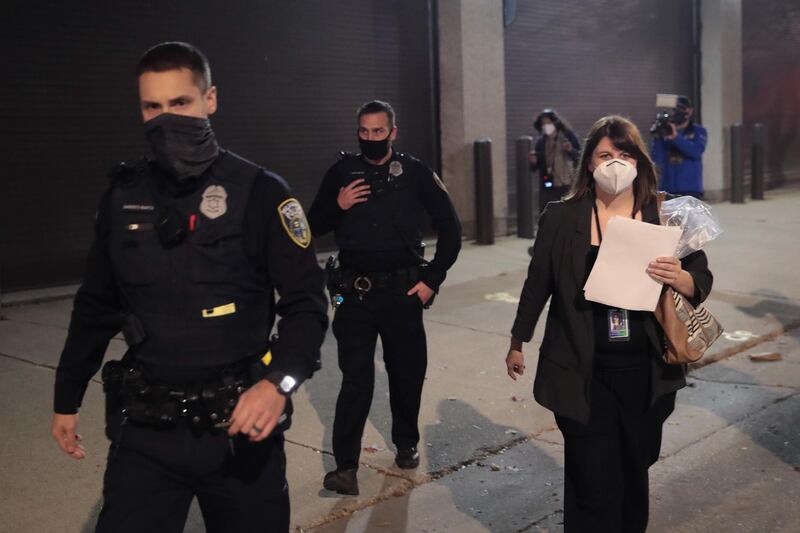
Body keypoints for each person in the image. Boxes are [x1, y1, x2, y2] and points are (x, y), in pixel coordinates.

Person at [50, 42, 328, 533]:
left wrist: (277, 385)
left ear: (210, 100)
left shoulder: (260, 192)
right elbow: (95, 305)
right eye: (152, 107)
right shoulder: (123, 196)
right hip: (147, 431)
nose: (165, 118)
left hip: (241, 430)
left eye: (180, 103)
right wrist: (66, 396)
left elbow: (307, 303)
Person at [506, 115, 713, 532]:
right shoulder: (563, 217)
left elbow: (701, 279)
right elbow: (538, 283)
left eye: (624, 154)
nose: (615, 163)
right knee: (591, 475)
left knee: (634, 469)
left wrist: (680, 276)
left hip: (646, 369)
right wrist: (518, 339)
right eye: (605, 155)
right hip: (583, 369)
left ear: (638, 160)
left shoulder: (663, 213)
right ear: (588, 163)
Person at [308, 100, 461, 495]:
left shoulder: (414, 172)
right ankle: (345, 467)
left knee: (406, 374)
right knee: (356, 379)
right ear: (357, 132)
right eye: (364, 131)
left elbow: (450, 226)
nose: (371, 138)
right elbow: (310, 226)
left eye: (379, 132)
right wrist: (337, 206)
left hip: (403, 295)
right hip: (354, 297)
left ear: (393, 132)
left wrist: (433, 278)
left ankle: (406, 442)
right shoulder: (342, 172)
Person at [651, 95, 707, 198]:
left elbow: (695, 152)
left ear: (689, 111)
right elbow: (656, 159)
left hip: (690, 188)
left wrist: (676, 137)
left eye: (680, 108)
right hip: (667, 187)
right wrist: (657, 137)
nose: (676, 112)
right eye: (674, 109)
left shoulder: (698, 131)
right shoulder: (665, 130)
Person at [529, 108, 581, 211]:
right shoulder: (541, 142)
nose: (546, 126)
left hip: (567, 183)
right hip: (549, 184)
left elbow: (579, 157)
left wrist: (570, 150)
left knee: (568, 213)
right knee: (548, 213)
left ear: (555, 122)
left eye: (548, 122)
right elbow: (537, 165)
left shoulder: (568, 136)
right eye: (543, 124)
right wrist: (533, 162)